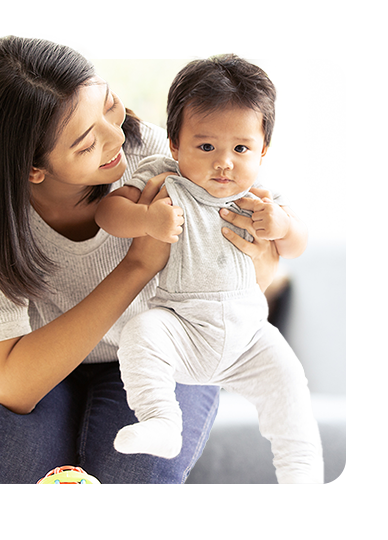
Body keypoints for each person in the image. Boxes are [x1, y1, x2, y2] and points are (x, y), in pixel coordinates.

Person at [0, 35, 280, 484]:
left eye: (110, 105)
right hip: (31, 353)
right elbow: (15, 385)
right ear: (33, 169)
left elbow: (254, 274)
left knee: (134, 474)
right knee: (1, 471)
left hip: (160, 347)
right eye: (88, 142)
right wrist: (137, 266)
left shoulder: (163, 162)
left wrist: (262, 251)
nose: (118, 137)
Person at [95, 55, 323, 483]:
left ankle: (301, 472)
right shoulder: (164, 178)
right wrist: (146, 220)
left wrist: (282, 226)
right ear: (174, 145)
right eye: (206, 147)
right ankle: (162, 421)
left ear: (262, 150)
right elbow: (107, 213)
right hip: (182, 328)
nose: (224, 163)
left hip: (248, 336)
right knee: (140, 332)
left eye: (241, 149)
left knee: (289, 381)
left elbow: (298, 244)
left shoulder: (261, 197)